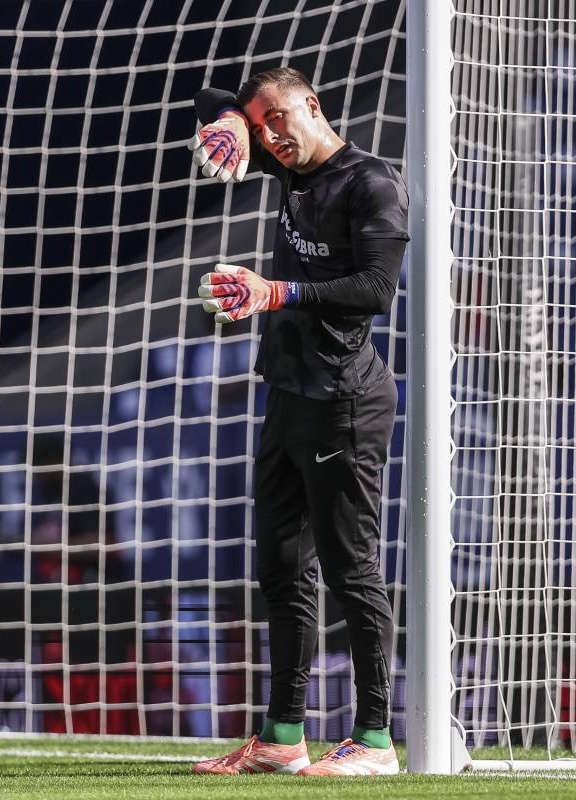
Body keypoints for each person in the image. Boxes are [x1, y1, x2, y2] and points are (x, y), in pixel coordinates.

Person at [184, 67, 408, 777]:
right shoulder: (290, 168)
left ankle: (375, 741)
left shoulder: (371, 182)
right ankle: (282, 737)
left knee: (351, 570)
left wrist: (272, 291)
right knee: (281, 570)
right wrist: (230, 121)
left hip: (345, 400)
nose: (271, 136)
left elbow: (376, 289)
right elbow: (209, 95)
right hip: (288, 392)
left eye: (278, 118)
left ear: (313, 104)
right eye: (261, 127)